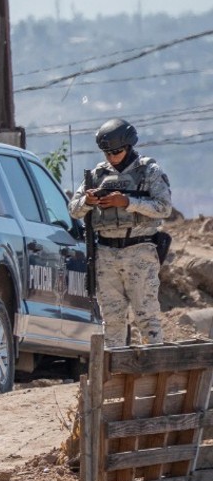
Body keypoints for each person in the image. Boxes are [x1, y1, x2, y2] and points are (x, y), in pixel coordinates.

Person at [69, 117, 173, 346]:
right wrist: (88, 201)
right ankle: (116, 376)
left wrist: (126, 201)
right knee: (112, 321)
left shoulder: (148, 171)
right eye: (106, 152)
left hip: (139, 249)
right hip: (106, 252)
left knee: (146, 316)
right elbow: (74, 210)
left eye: (115, 152)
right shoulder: (97, 175)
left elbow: (164, 208)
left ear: (128, 147)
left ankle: (153, 374)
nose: (110, 157)